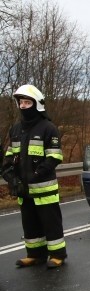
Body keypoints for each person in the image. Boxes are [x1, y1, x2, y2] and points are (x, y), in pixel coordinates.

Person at [1, 84, 67, 268]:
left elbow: (55, 156)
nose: (23, 106)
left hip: (44, 188)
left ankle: (58, 255)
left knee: (50, 223)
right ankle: (35, 255)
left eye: (27, 102)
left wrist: (37, 174)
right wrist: (12, 178)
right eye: (21, 102)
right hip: (23, 189)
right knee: (29, 224)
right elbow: (9, 157)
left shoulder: (48, 128)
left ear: (37, 104)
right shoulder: (15, 129)